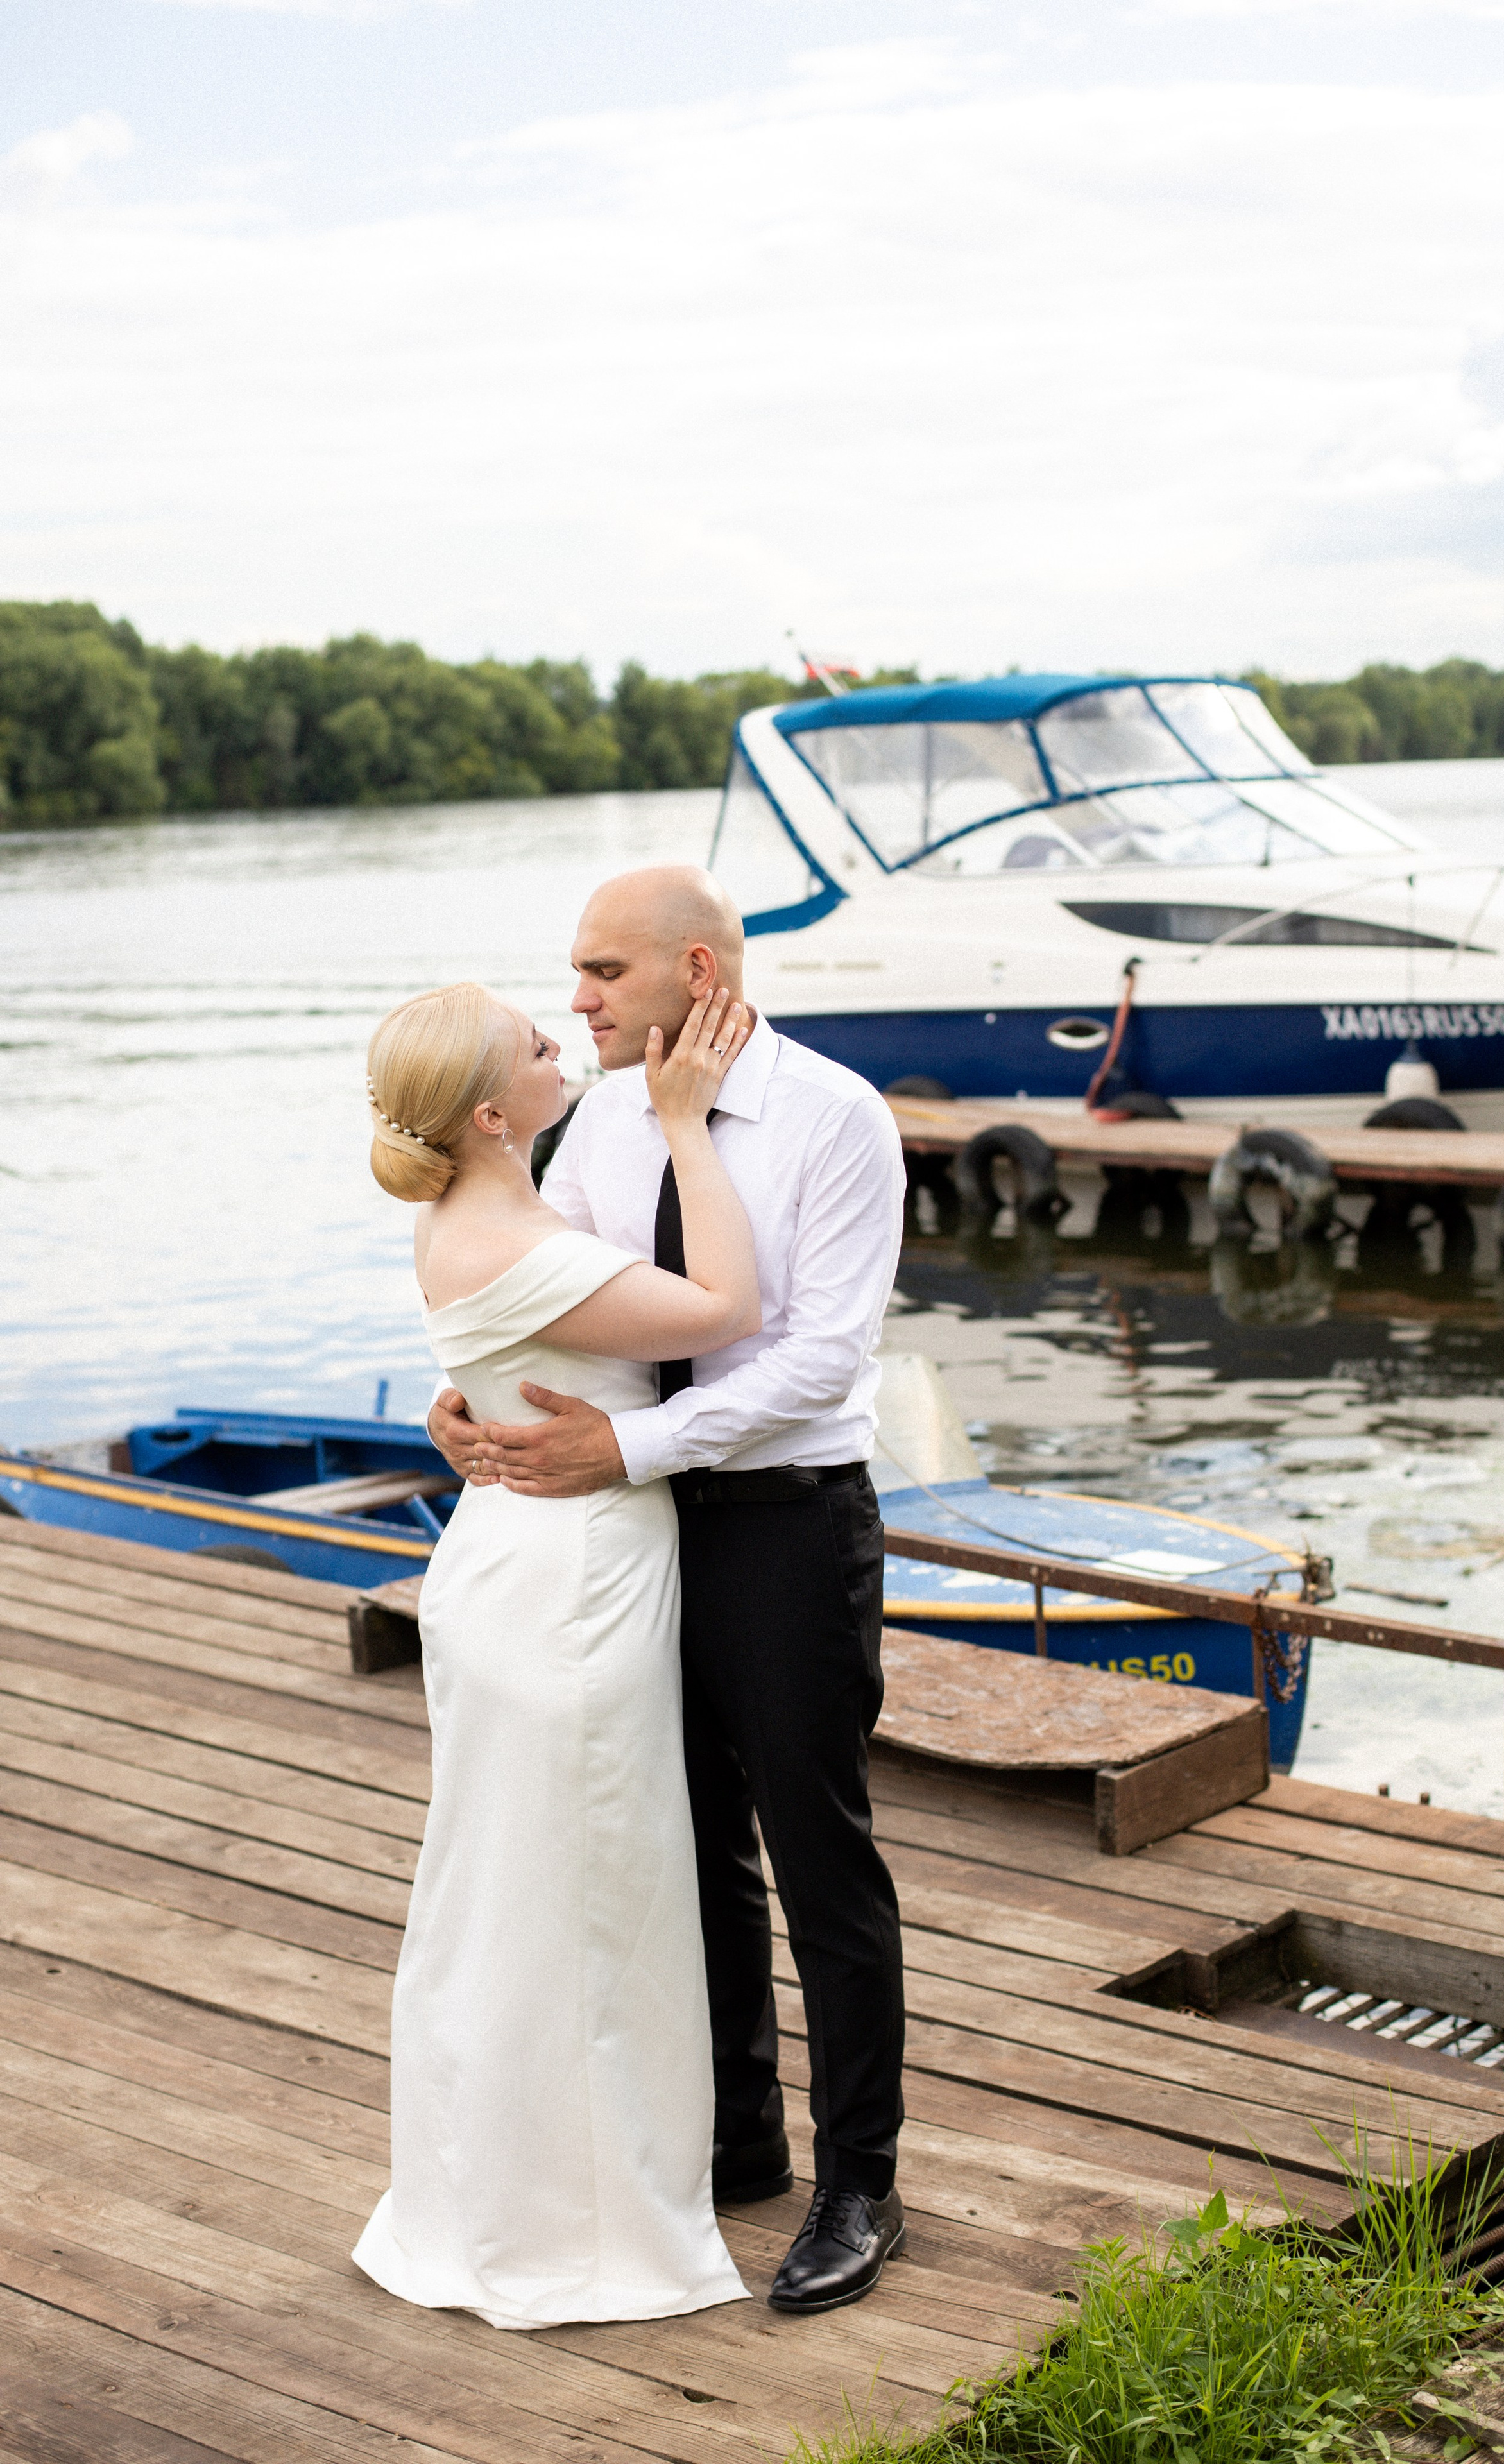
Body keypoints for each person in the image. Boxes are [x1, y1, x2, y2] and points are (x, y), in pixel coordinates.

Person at [427, 866, 909, 2316]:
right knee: (687, 1845)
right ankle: (742, 2140)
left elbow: (816, 1355)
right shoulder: (601, 1126)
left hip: (782, 1527)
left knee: (818, 1856)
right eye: (570, 979)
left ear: (694, 972)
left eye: (601, 975)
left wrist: (625, 1445)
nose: (576, 1002)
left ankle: (860, 2184)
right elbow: (563, 1306)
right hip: (628, 1533)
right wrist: (463, 1416)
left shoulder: (838, 1117)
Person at [352, 975, 758, 2330]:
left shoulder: (481, 1215)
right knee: (589, 1900)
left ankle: (491, 2197)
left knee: (512, 1891)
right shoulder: (510, 1233)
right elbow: (722, 1311)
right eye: (537, 1044)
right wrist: (689, 1126)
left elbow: (497, 1340)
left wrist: (450, 1397)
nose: (559, 1037)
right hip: (569, 1581)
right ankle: (577, 2229)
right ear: (489, 1110)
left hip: (511, 1560)